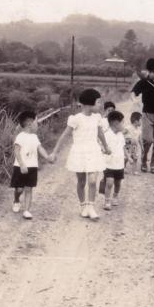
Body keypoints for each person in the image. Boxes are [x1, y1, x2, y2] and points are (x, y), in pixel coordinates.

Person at [51, 88, 111, 220]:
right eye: (98, 102)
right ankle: (83, 205)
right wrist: (54, 152)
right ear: (90, 103)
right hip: (79, 152)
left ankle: (91, 207)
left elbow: (100, 133)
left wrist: (106, 147)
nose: (101, 105)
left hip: (93, 151)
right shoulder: (76, 119)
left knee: (93, 180)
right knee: (82, 181)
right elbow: (64, 136)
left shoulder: (97, 118)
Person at [10, 110, 54, 219]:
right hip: (20, 167)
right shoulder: (20, 136)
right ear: (30, 123)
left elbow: (40, 148)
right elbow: (16, 151)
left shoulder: (35, 137)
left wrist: (47, 157)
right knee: (19, 189)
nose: (37, 125)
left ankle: (26, 210)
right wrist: (22, 164)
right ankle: (16, 200)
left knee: (29, 189)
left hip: (32, 167)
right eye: (36, 122)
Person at [102, 110, 130, 210]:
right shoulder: (106, 135)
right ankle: (107, 201)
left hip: (119, 164)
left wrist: (128, 157)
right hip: (109, 164)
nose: (124, 125)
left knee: (118, 183)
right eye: (123, 122)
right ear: (115, 123)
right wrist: (104, 151)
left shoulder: (121, 135)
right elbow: (102, 147)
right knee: (109, 182)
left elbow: (123, 147)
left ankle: (115, 196)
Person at [98, 101, 116, 194]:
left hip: (112, 147)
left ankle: (105, 181)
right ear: (105, 110)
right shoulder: (102, 121)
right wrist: (101, 146)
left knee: (110, 167)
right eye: (109, 110)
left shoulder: (115, 122)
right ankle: (104, 181)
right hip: (103, 146)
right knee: (105, 166)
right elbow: (98, 135)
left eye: (112, 110)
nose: (110, 112)